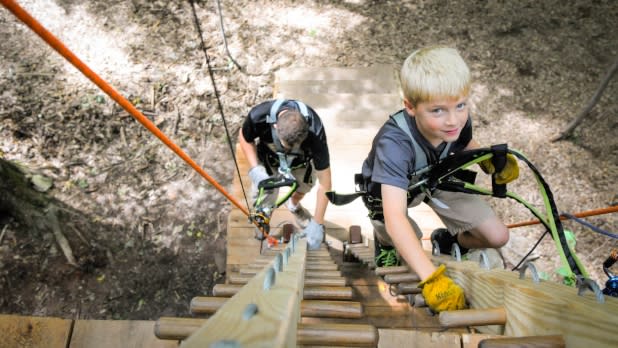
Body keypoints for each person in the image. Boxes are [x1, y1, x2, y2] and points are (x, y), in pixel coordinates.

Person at [359, 46, 518, 312]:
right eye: (438, 111)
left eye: (461, 105)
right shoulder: (395, 145)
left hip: (435, 177)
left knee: (498, 236)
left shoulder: (455, 121)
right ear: (410, 106)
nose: (453, 120)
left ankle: (450, 240)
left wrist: (485, 159)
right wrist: (431, 278)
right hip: (388, 191)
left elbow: (464, 141)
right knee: (406, 239)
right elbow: (395, 216)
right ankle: (384, 243)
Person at [238, 99, 332, 250]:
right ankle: (263, 218)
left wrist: (318, 222)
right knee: (264, 195)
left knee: (303, 187)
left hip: (302, 161)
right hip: (269, 159)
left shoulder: (315, 131)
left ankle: (294, 205)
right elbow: (244, 137)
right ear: (275, 125)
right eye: (284, 144)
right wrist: (255, 168)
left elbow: (325, 183)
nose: (288, 148)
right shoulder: (260, 116)